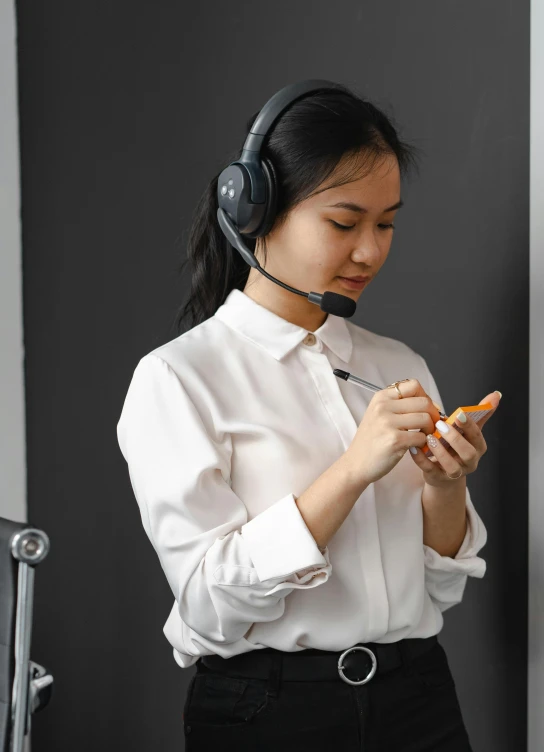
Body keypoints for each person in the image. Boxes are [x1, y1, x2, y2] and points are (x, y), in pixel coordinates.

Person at [116, 81, 501, 751]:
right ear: (256, 209)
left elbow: (439, 585)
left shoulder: (396, 363)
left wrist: (445, 485)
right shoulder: (178, 378)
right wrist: (352, 470)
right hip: (268, 715)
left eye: (386, 224)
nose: (371, 252)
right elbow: (209, 605)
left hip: (419, 703)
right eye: (344, 223)